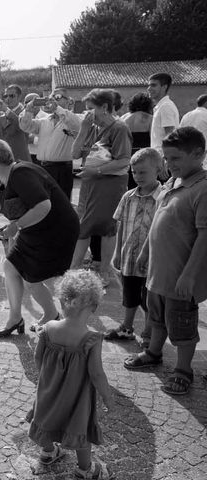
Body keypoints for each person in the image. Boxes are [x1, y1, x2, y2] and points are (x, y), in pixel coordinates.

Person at [124, 127, 207, 396]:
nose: (169, 165)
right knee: (156, 317)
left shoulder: (202, 188)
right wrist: (146, 251)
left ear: (199, 154)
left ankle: (184, 370)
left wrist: (189, 275)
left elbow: (204, 237)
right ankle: (153, 352)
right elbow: (158, 221)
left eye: (176, 159)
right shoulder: (172, 183)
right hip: (158, 272)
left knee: (181, 325)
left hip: (180, 275)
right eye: (167, 159)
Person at [0, 135, 79, 336]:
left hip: (56, 230)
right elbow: (26, 209)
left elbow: (43, 205)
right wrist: (12, 228)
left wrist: (16, 227)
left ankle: (66, 323)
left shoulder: (21, 173)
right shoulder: (11, 176)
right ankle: (17, 317)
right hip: (37, 229)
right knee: (12, 267)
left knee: (33, 277)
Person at [27, 269, 114, 480]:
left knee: (45, 419)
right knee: (80, 429)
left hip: (49, 389)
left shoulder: (47, 329)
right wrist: (107, 396)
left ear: (62, 301)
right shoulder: (92, 338)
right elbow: (96, 373)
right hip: (78, 397)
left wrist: (47, 379)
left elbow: (38, 358)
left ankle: (48, 453)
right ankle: (85, 469)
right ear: (93, 307)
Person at [70, 89, 132, 286]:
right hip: (90, 183)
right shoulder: (93, 127)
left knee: (105, 227)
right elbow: (75, 153)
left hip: (109, 183)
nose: (88, 114)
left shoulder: (119, 128)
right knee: (84, 224)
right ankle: (75, 268)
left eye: (91, 109)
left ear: (104, 107)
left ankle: (102, 270)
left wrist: (97, 172)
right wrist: (83, 129)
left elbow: (124, 160)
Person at [105, 148, 163, 347]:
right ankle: (126, 327)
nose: (137, 176)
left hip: (152, 260)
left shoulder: (163, 198)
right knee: (129, 295)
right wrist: (117, 251)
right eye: (134, 172)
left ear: (158, 169)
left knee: (148, 299)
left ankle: (148, 332)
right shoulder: (128, 196)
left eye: (143, 172)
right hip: (129, 257)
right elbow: (120, 225)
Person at [19, 89, 81, 200]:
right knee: (45, 202)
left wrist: (56, 108)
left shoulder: (72, 118)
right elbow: (25, 126)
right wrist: (28, 110)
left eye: (57, 97)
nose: (53, 100)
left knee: (61, 203)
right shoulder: (44, 121)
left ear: (68, 101)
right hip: (43, 167)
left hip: (62, 170)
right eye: (51, 97)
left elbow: (76, 125)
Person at [120, 92, 153, 189]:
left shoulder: (123, 118)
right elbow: (153, 138)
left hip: (127, 157)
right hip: (145, 157)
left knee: (130, 188)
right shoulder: (150, 119)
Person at [148, 73, 179, 152]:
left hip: (162, 158)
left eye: (153, 85)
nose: (149, 88)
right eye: (149, 85)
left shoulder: (165, 107)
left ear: (164, 87)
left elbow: (170, 136)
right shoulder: (161, 106)